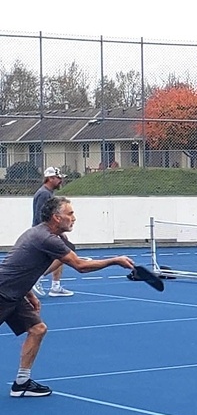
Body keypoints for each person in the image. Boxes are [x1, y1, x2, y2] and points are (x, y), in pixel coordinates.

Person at [1, 196, 135, 397]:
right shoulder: (45, 238)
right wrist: (114, 260)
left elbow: (22, 269)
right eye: (70, 214)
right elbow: (80, 266)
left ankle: (22, 383)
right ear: (56, 217)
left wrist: (29, 293)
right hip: (2, 293)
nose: (74, 218)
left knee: (38, 329)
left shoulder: (47, 237)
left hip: (15, 294)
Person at [32, 167, 73, 297]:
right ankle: (38, 277)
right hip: (44, 233)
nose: (61, 181)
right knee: (65, 252)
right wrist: (55, 232)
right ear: (50, 178)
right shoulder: (44, 194)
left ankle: (55, 285)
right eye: (58, 178)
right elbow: (41, 216)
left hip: (47, 232)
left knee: (64, 251)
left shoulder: (47, 193)